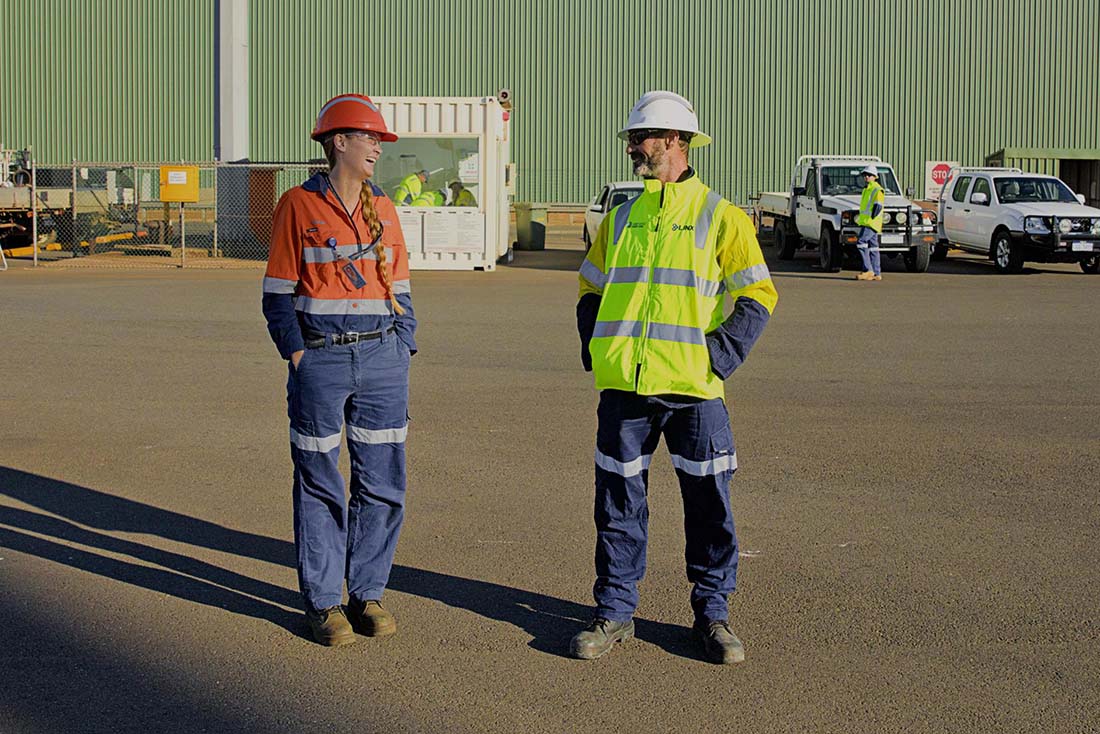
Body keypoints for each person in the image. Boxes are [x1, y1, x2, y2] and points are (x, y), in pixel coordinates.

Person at [572, 91, 777, 664]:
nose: (633, 147)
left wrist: (717, 357)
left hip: (694, 392)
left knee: (710, 502)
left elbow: (758, 295)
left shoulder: (722, 216)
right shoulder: (621, 217)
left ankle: (712, 615)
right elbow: (591, 286)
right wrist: (596, 344)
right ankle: (614, 612)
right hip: (625, 391)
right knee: (617, 503)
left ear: (674, 141)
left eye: (642, 138)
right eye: (634, 138)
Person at [261, 93, 417, 646]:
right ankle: (324, 603)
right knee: (320, 482)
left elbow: (400, 289)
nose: (378, 146)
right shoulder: (296, 205)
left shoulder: (387, 208)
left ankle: (366, 593)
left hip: (382, 360)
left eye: (379, 139)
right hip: (320, 361)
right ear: (339, 142)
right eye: (369, 137)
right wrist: (298, 355)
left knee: (382, 484)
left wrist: (404, 347)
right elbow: (277, 293)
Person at [855, 165, 885, 281]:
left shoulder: (876, 189)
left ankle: (868, 270)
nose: (866, 177)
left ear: (875, 177)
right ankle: (877, 273)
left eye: (869, 175)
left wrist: (871, 218)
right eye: (865, 175)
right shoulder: (867, 189)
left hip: (870, 223)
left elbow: (878, 205)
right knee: (873, 247)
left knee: (861, 242)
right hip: (868, 222)